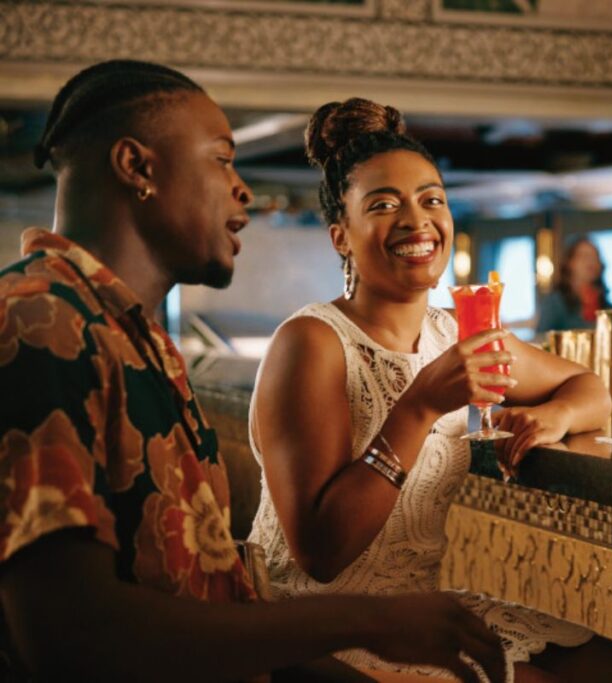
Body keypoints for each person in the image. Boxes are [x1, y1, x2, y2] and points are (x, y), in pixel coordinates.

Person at [0, 59, 509, 683]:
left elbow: (202, 600)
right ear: (136, 168)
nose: (242, 189)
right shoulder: (41, 321)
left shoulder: (129, 334)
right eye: (221, 159)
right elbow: (69, 637)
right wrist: (366, 622)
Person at [246, 98, 612, 683]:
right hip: (316, 630)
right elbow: (321, 555)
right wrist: (419, 406)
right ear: (340, 236)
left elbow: (589, 386)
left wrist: (552, 416)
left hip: (417, 607)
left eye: (432, 200)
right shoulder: (312, 343)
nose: (417, 221)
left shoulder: (456, 332)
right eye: (383, 205)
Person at [535, 237, 612, 334]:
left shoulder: (607, 307)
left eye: (595, 256)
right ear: (569, 263)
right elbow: (541, 339)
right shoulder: (555, 303)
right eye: (584, 256)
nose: (591, 261)